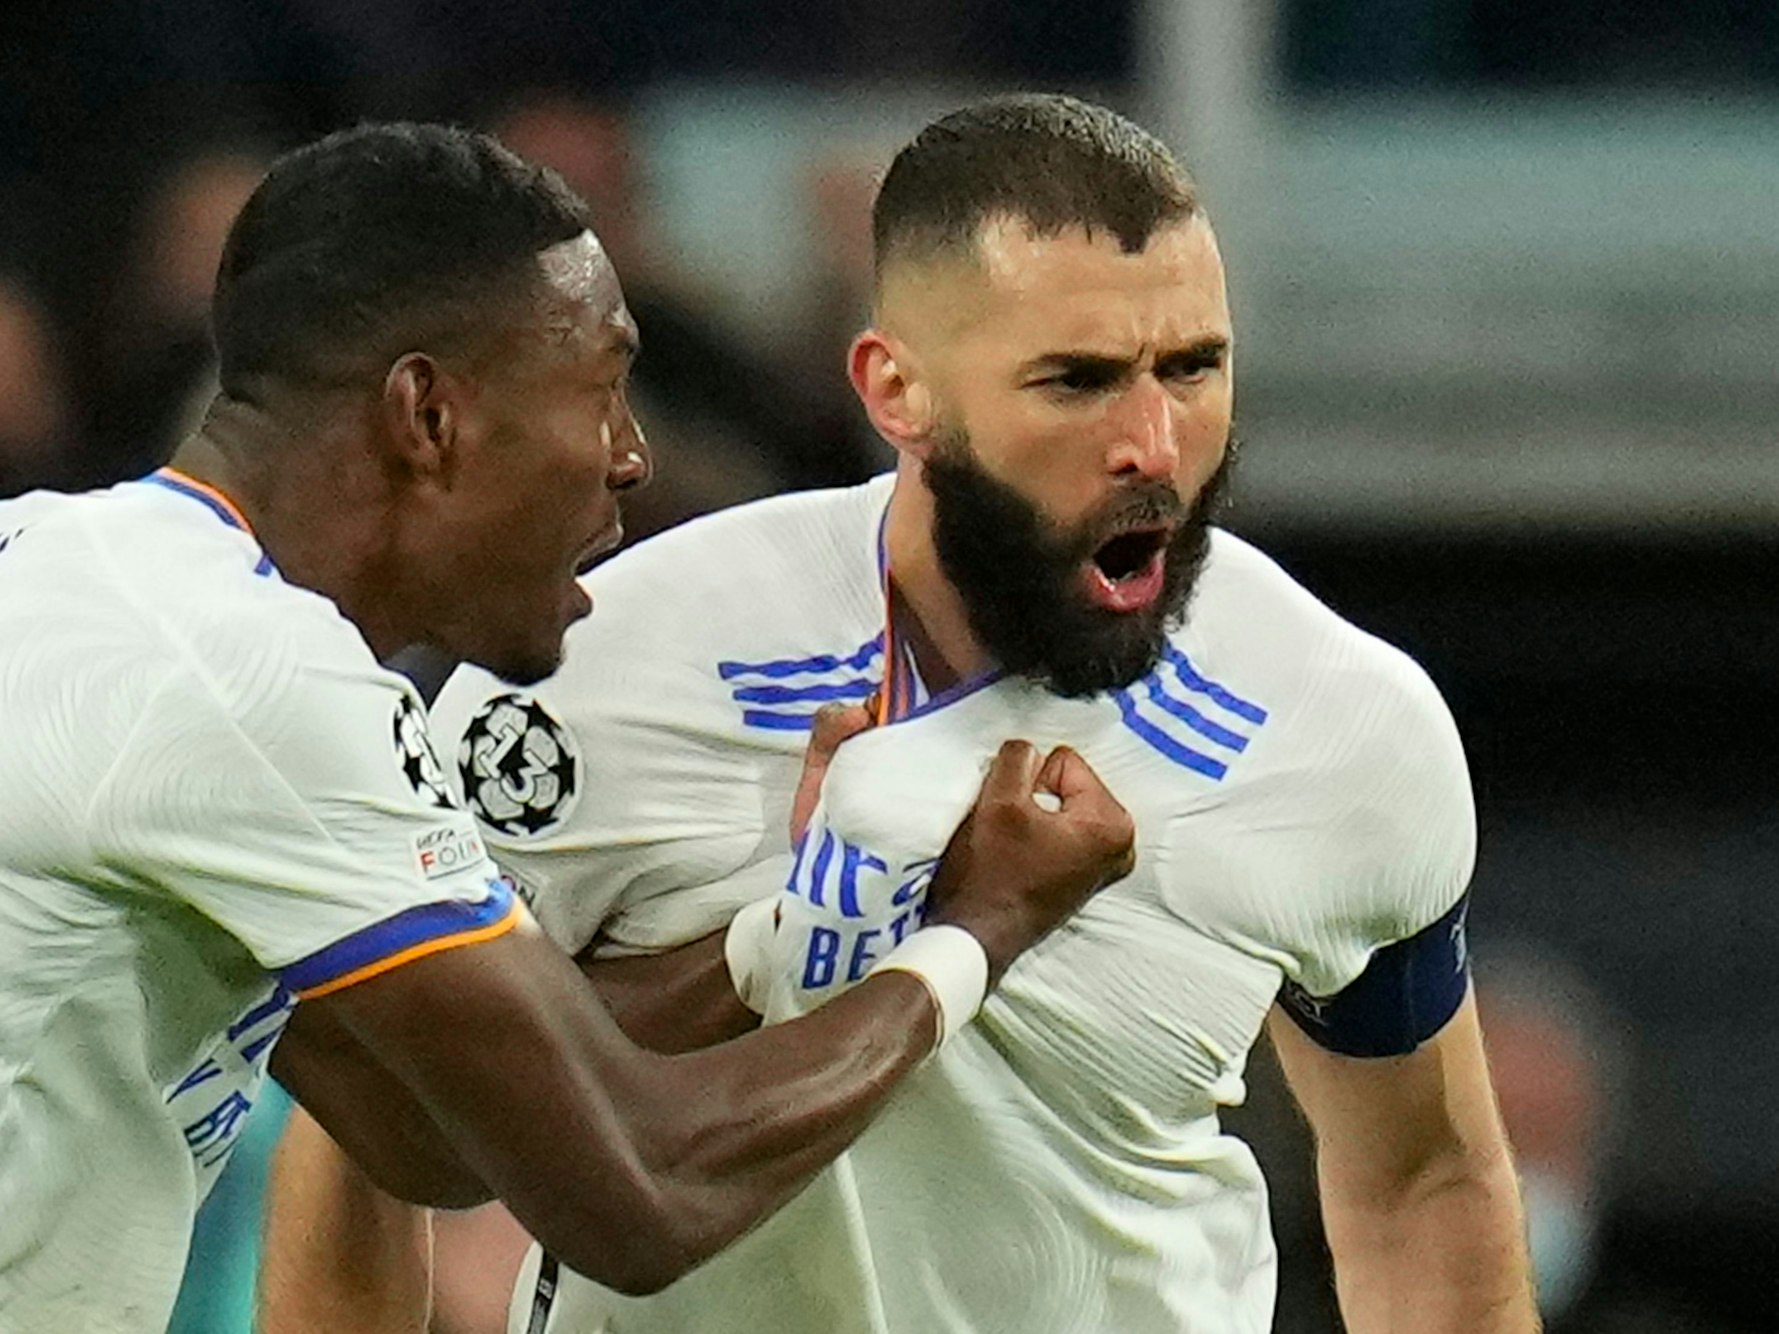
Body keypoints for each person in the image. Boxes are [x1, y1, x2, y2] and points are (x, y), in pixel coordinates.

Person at [263, 96, 1537, 1334]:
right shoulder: (596, 666)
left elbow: (1423, 1175)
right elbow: (378, 1138)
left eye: (1195, 366)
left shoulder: (1338, 721)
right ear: (896, 389)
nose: (1155, 440)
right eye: (1078, 380)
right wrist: (782, 937)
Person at [0, 120, 1136, 1334]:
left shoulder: (74, 570)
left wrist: (810, 920)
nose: (633, 455)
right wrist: (977, 927)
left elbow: (420, 1132)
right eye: (600, 388)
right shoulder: (254, 680)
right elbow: (642, 1194)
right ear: (427, 416)